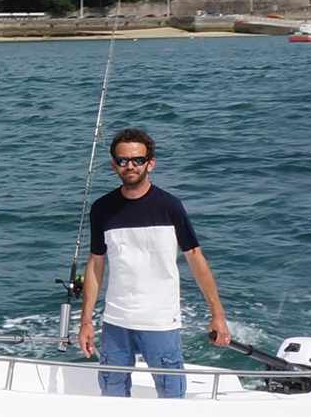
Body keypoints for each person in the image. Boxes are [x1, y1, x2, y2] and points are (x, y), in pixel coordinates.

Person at [77, 126, 230, 398]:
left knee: (171, 397)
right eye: (123, 161)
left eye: (138, 160)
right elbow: (96, 263)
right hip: (116, 321)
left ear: (151, 164)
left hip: (160, 321)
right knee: (111, 396)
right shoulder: (101, 209)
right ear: (114, 165)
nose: (130, 166)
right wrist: (86, 321)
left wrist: (217, 314)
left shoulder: (170, 206)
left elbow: (195, 258)